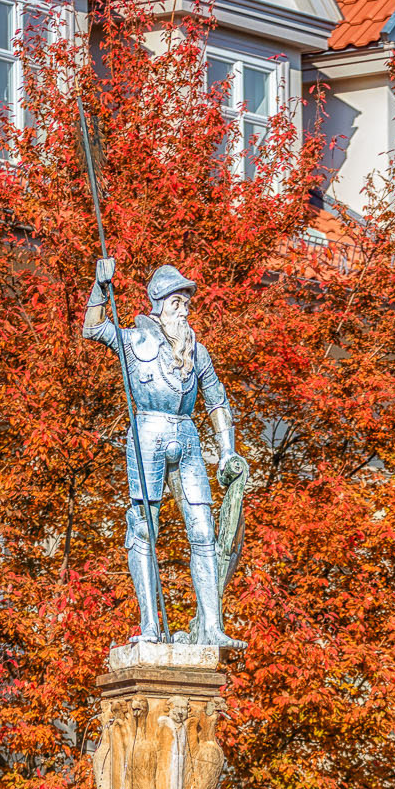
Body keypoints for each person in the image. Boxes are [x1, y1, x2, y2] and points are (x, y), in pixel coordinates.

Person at [83, 259, 243, 648]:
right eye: (177, 300)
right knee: (144, 527)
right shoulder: (135, 342)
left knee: (203, 530)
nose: (184, 307)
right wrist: (101, 287)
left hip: (187, 436)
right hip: (148, 432)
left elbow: (217, 401)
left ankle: (212, 626)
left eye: (187, 300)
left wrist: (226, 451)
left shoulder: (197, 351)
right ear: (159, 302)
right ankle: (150, 627)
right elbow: (92, 328)